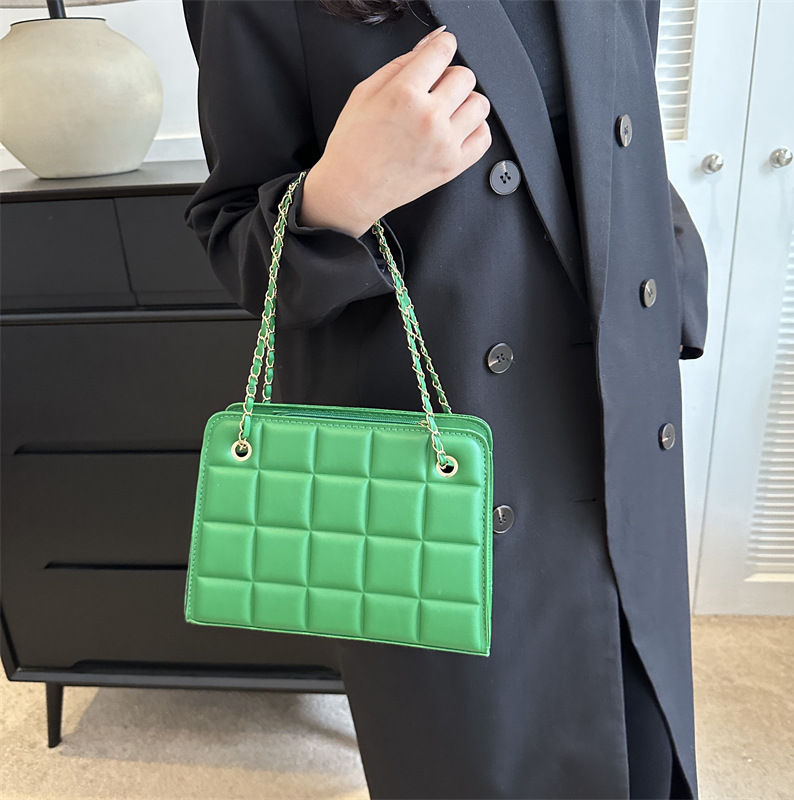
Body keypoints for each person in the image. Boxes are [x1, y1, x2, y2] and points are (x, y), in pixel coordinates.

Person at [181, 1, 709, 797]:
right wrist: (341, 194)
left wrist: (671, 284)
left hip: (623, 425)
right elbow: (234, 236)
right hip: (447, 484)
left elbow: (619, 124)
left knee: (647, 743)